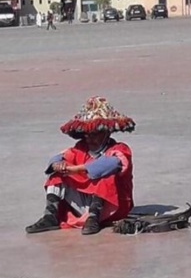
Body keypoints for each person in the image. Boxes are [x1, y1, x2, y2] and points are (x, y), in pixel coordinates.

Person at [26, 96, 135, 236]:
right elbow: (60, 157)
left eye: (94, 134)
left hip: (113, 205)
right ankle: (50, 216)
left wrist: (74, 169)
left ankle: (93, 217)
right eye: (87, 134)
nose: (89, 138)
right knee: (56, 175)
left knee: (106, 176)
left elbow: (108, 165)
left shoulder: (119, 149)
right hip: (84, 201)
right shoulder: (80, 148)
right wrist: (58, 164)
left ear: (106, 132)